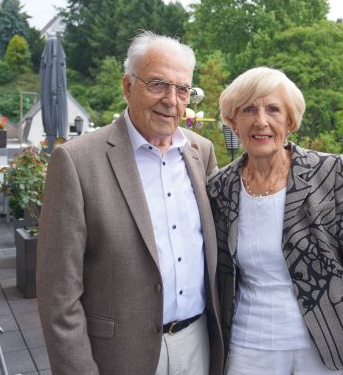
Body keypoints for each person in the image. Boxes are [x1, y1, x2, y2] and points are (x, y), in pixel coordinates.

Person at [37, 31, 224, 375]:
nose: (171, 100)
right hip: (121, 355)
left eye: (182, 89)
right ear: (127, 87)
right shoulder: (76, 161)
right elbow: (58, 296)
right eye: (157, 84)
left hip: (199, 344)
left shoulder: (201, 152)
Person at [207, 67, 343, 375]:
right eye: (248, 109)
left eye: (273, 109)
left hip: (327, 346)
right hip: (249, 347)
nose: (261, 121)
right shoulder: (219, 187)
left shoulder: (330, 173)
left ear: (290, 121)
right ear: (233, 121)